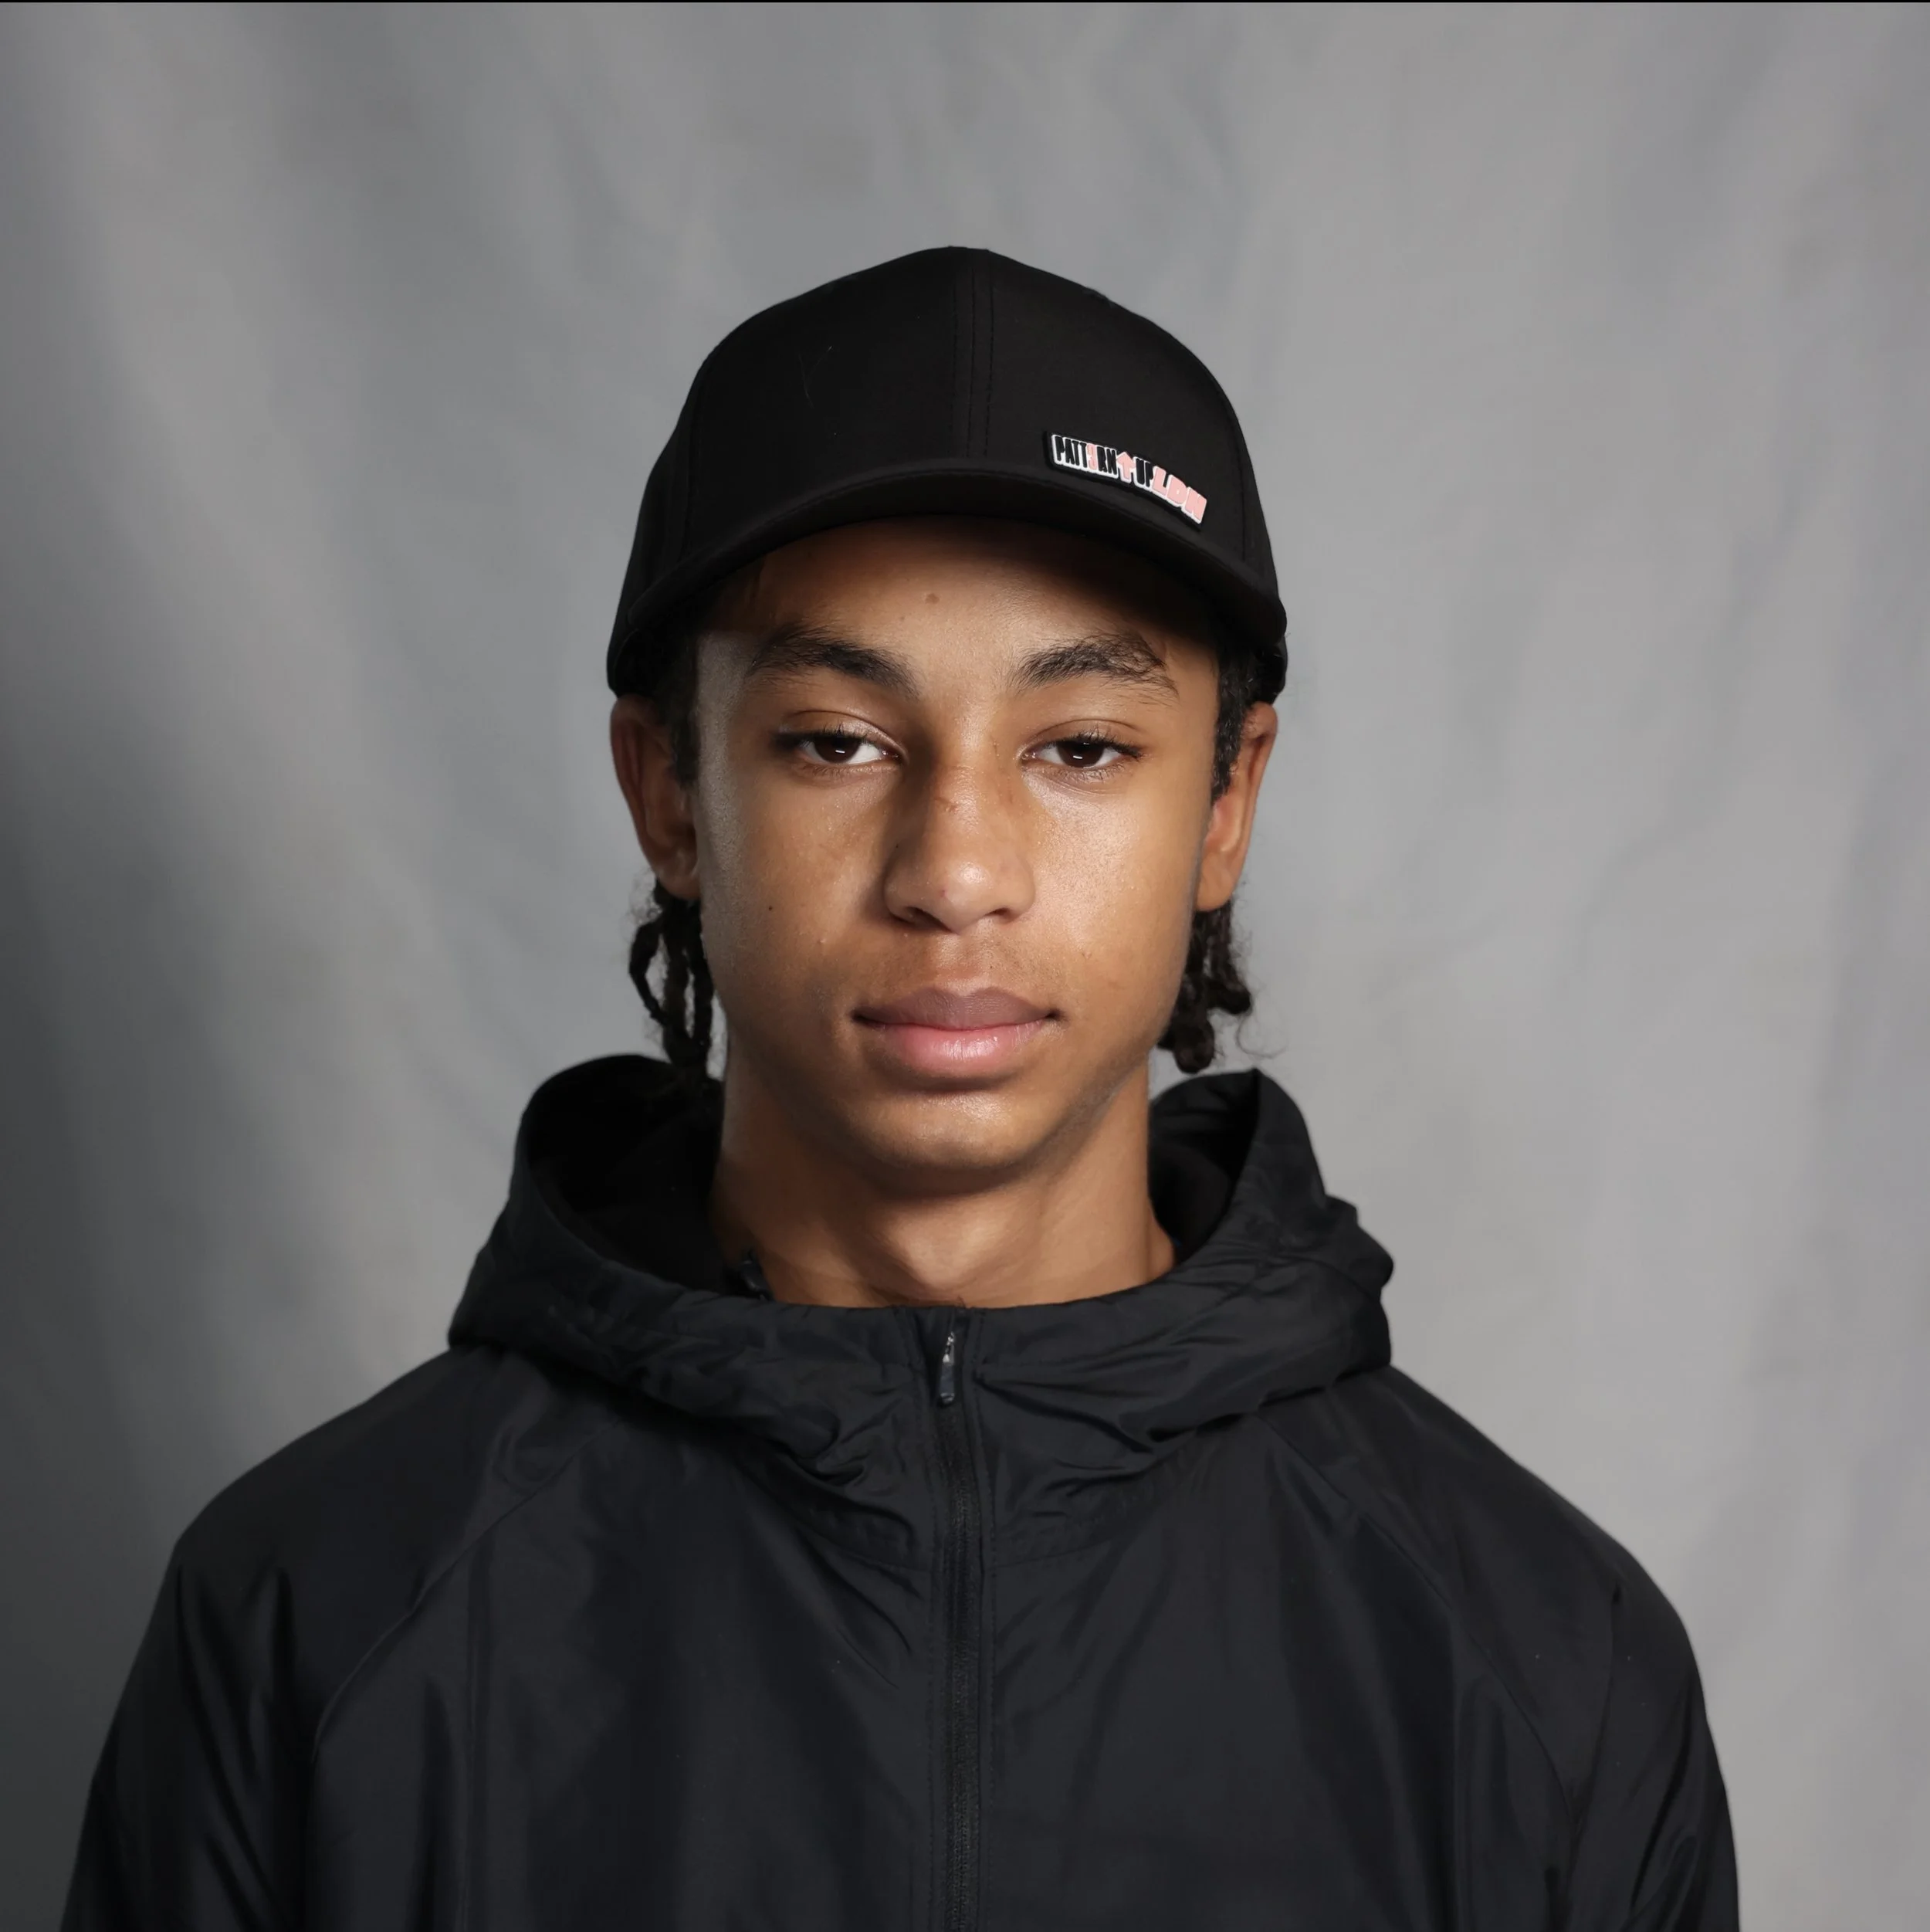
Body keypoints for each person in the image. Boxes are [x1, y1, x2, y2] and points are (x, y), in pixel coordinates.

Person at [63, 248, 1737, 1931]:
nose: (953, 871)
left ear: (1226, 804)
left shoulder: (1540, 1662)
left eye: (1079, 747)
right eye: (834, 742)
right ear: (668, 796)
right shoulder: (317, 1613)